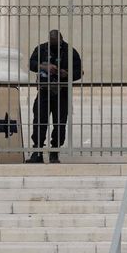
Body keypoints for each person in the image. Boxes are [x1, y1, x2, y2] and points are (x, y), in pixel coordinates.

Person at [26, 30, 82, 164]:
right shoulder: (41, 49)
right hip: (44, 91)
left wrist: (66, 74)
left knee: (60, 124)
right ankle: (37, 152)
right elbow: (31, 64)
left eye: (57, 44)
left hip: (62, 92)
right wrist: (44, 67)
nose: (55, 46)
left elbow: (78, 71)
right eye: (52, 44)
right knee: (39, 122)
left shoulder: (70, 52)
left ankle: (54, 152)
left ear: (62, 40)